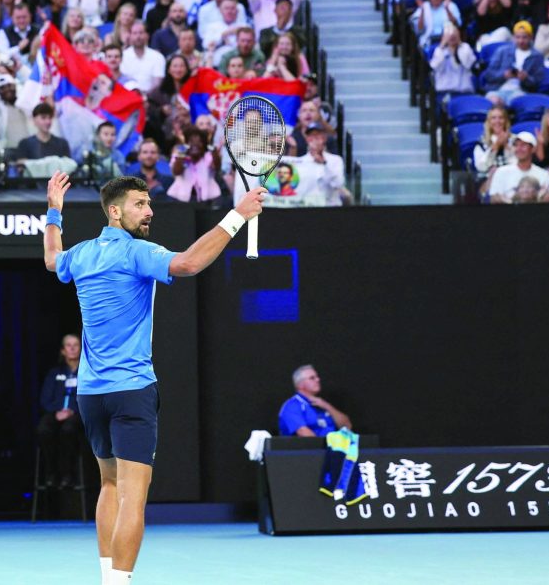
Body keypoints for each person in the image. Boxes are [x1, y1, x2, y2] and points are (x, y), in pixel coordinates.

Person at [43, 172, 265, 585]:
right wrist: (237, 215)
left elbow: (52, 258)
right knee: (132, 496)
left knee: (109, 485)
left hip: (91, 395)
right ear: (115, 211)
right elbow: (190, 263)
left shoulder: (83, 255)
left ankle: (108, 577)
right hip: (131, 393)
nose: (148, 212)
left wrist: (53, 210)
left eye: (149, 204)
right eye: (139, 205)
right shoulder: (137, 252)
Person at [36, 334, 83, 489]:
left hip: (77, 415)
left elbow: (91, 398)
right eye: (68, 345)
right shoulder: (54, 373)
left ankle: (68, 474)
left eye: (75, 345)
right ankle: (51, 473)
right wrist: (57, 412)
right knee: (43, 429)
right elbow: (45, 399)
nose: (72, 348)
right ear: (63, 350)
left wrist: (72, 411)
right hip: (56, 413)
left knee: (68, 430)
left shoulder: (86, 372)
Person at [278, 365, 352, 437]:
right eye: (312, 378)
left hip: (335, 447)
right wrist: (327, 446)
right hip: (311, 448)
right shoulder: (292, 406)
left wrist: (327, 406)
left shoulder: (321, 404)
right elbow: (304, 433)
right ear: (300, 384)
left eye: (317, 377)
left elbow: (347, 427)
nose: (318, 380)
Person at [487, 132, 549, 203]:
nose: (519, 148)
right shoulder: (501, 172)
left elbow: (547, 198)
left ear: (533, 149)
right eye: (516, 145)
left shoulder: (544, 174)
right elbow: (494, 197)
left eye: (523, 145)